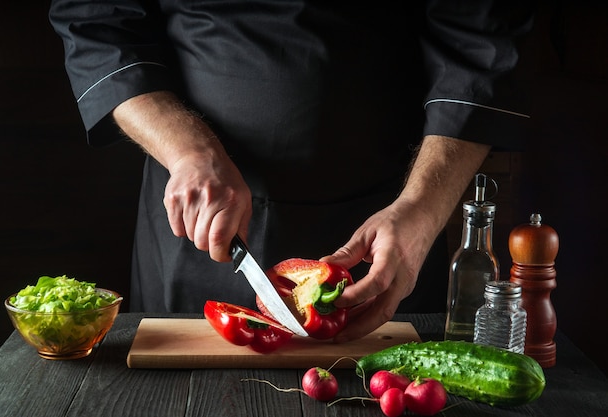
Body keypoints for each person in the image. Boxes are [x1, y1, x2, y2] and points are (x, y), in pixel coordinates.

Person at [49, 1, 534, 343]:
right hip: (195, 214)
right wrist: (188, 150)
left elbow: (482, 34)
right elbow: (97, 22)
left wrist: (421, 208)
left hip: (391, 215)